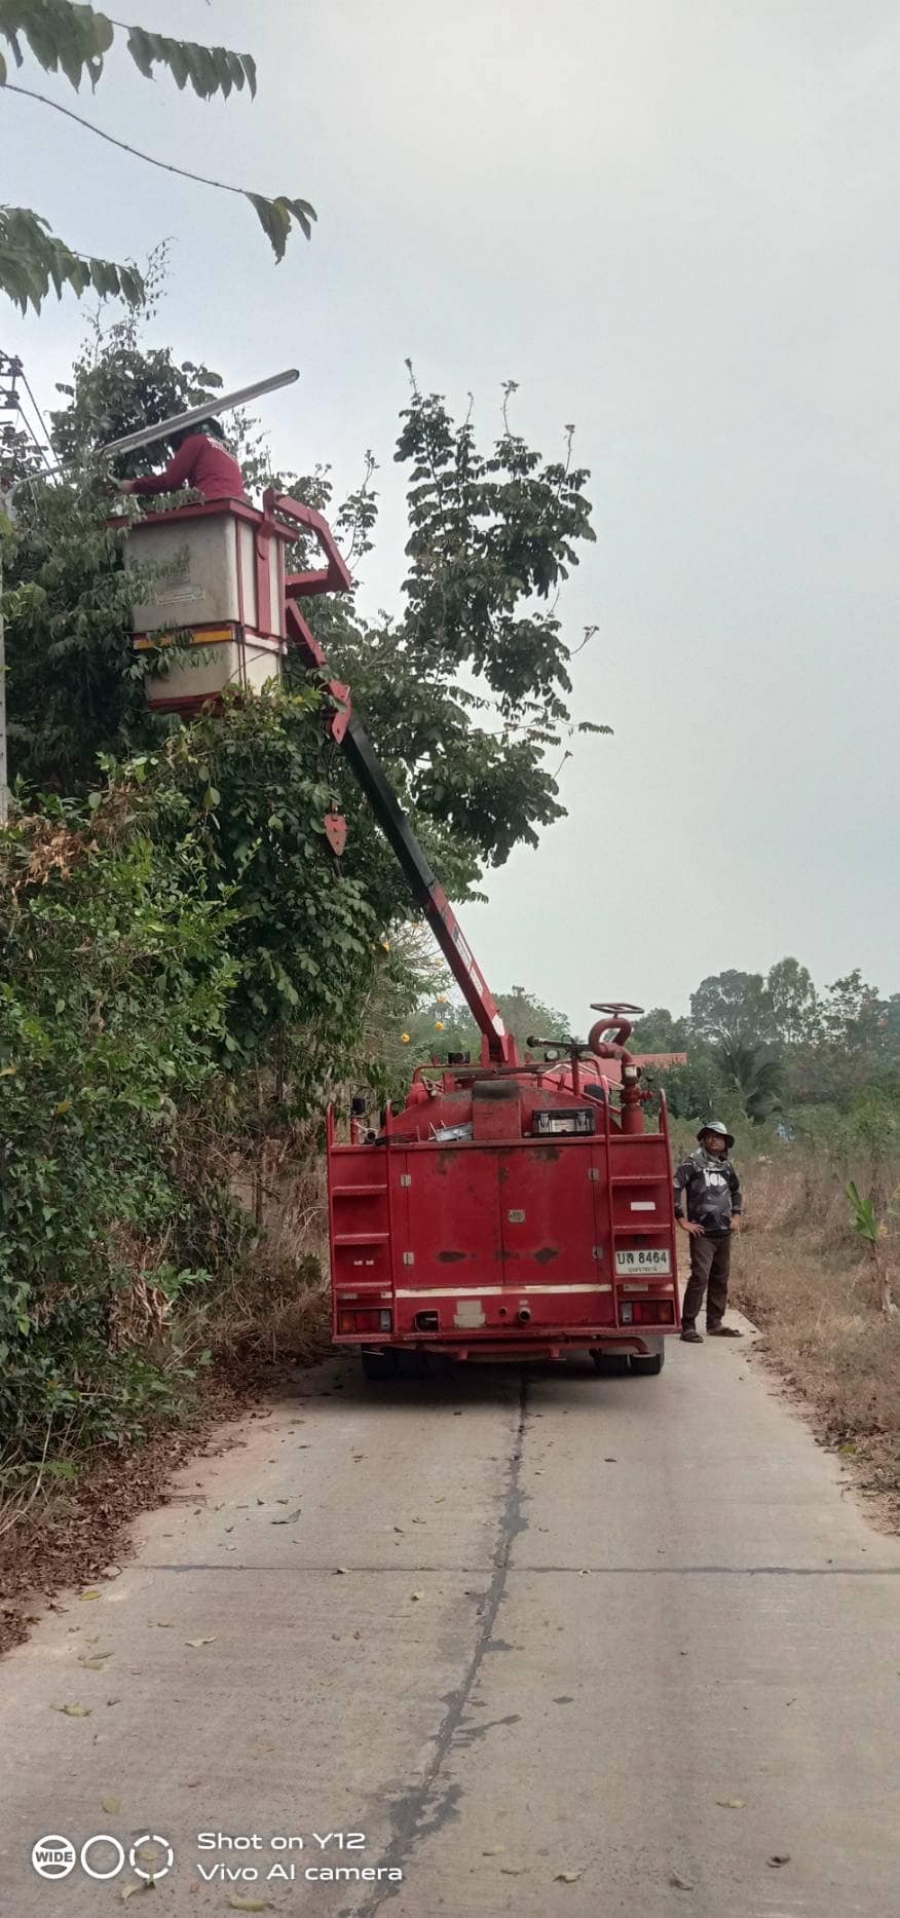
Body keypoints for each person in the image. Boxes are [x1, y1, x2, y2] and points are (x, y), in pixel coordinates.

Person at [673, 1121, 743, 1342]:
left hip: (723, 1231)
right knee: (700, 1276)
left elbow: (736, 1190)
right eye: (710, 1136)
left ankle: (715, 1323)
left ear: (725, 1144)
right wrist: (682, 1220)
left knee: (720, 1278)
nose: (714, 1140)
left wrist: (737, 1216)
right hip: (702, 1232)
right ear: (704, 1139)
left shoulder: (727, 1167)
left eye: (719, 1137)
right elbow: (674, 1187)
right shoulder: (692, 1163)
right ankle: (688, 1326)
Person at [116, 417, 247, 505]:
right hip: (237, 507)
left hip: (212, 505)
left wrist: (133, 486)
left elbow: (170, 481)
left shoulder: (195, 441)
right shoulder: (229, 454)